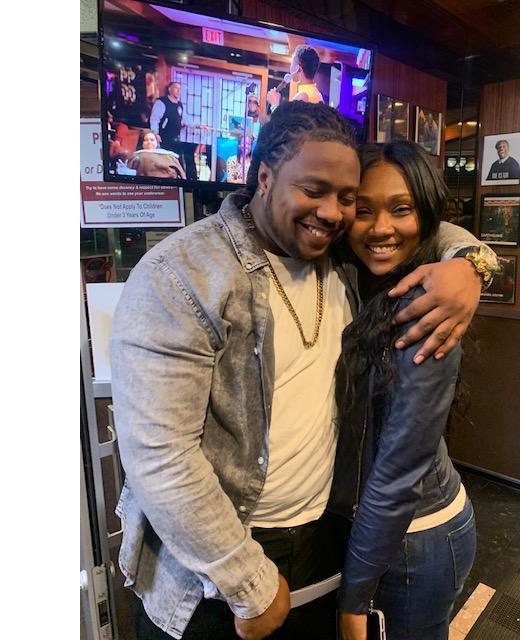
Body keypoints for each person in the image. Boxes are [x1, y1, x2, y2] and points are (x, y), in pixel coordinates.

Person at [110, 101, 497, 640]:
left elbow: (420, 226)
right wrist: (248, 583)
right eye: (314, 190)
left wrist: (470, 263)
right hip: (217, 564)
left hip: (324, 542)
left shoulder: (341, 259)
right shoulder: (183, 274)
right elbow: (159, 456)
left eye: (346, 198)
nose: (333, 213)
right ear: (264, 177)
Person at [330, 141, 480, 640]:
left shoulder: (424, 304)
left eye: (401, 209)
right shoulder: (357, 276)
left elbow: (399, 468)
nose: (380, 228)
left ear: (426, 212)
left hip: (416, 540)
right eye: (363, 210)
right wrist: (471, 259)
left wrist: (355, 598)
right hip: (378, 531)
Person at [149, 81, 210, 180]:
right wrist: (155, 133)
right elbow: (154, 119)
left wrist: (198, 125)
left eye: (179, 89)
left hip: (175, 139)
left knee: (177, 162)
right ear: (170, 89)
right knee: (164, 162)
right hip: (163, 138)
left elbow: (185, 119)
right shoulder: (161, 102)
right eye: (176, 88)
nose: (178, 91)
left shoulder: (179, 105)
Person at [266, 44, 324, 111]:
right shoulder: (318, 95)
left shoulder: (303, 96)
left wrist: (274, 104)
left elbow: (284, 119)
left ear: (297, 68)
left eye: (292, 63)